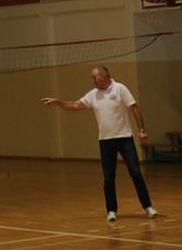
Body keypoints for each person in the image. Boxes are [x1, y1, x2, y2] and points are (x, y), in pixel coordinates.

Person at [41, 66, 157, 222]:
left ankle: (148, 206)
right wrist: (57, 102)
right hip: (105, 141)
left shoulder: (120, 88)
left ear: (104, 76)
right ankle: (111, 210)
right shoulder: (93, 94)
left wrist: (141, 130)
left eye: (94, 77)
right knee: (108, 177)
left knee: (135, 172)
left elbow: (134, 108)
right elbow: (75, 105)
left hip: (124, 138)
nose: (93, 81)